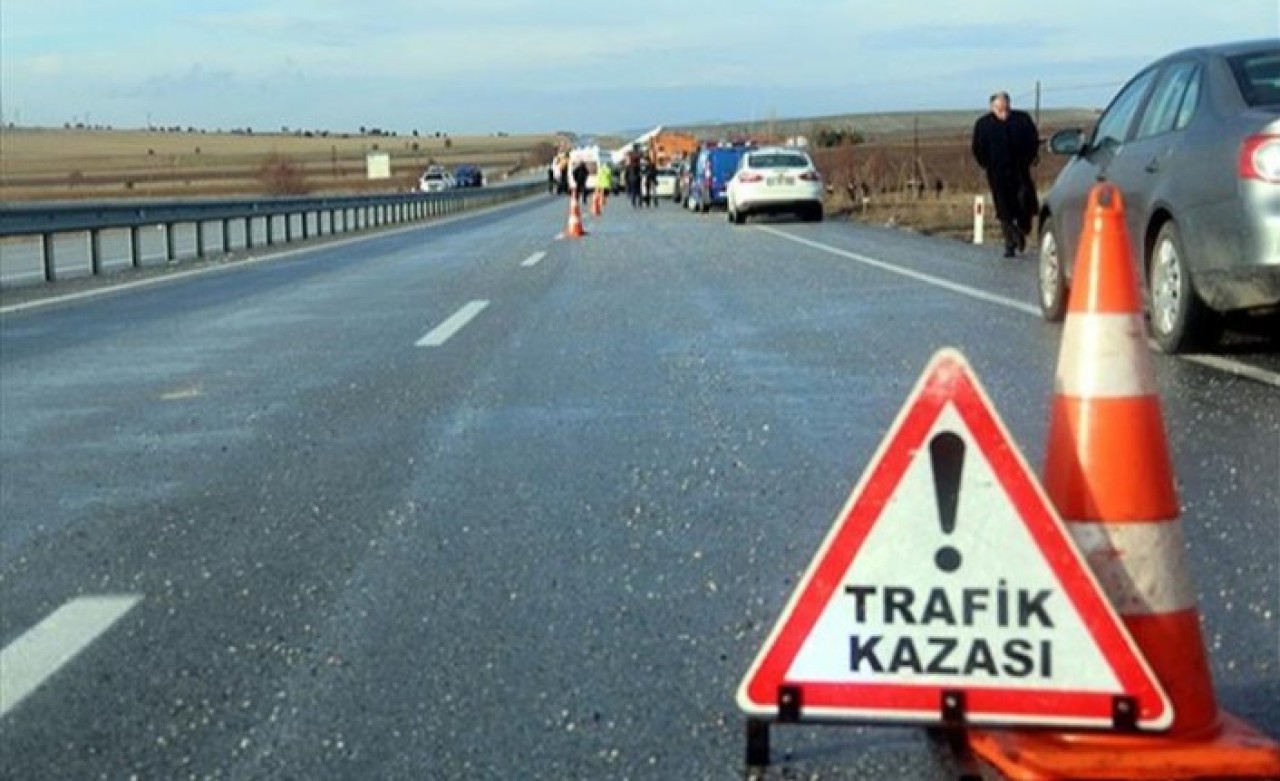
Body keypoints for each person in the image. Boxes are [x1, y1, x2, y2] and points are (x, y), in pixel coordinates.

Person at [971, 91, 1040, 258]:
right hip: (997, 172)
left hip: (1020, 170)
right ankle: (1010, 242)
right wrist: (986, 164)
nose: (1003, 112)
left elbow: (1033, 140)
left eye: (1006, 107)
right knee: (1004, 208)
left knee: (1025, 201)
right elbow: (978, 147)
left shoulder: (1022, 119)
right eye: (999, 108)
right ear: (992, 108)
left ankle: (1023, 228)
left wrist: (1030, 157)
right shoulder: (983, 124)